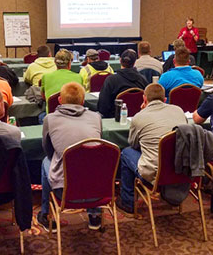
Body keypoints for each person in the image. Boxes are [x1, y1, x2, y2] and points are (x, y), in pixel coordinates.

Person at [37, 82, 103, 232]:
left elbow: (48, 150)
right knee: (93, 164)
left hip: (65, 191)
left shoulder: (50, 119)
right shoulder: (96, 117)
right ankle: (94, 215)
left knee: (46, 162)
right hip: (98, 189)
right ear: (82, 101)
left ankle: (46, 215)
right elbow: (99, 149)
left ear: (60, 100)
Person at [117, 84, 187, 214]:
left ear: (144, 99)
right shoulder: (178, 110)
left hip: (155, 174)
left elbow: (133, 144)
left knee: (126, 152)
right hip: (181, 169)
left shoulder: (139, 117)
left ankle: (128, 202)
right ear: (165, 99)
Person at [98, 49, 149, 118]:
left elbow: (103, 107)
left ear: (120, 60)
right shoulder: (143, 79)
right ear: (134, 63)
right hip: (139, 119)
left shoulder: (111, 80)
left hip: (116, 120)